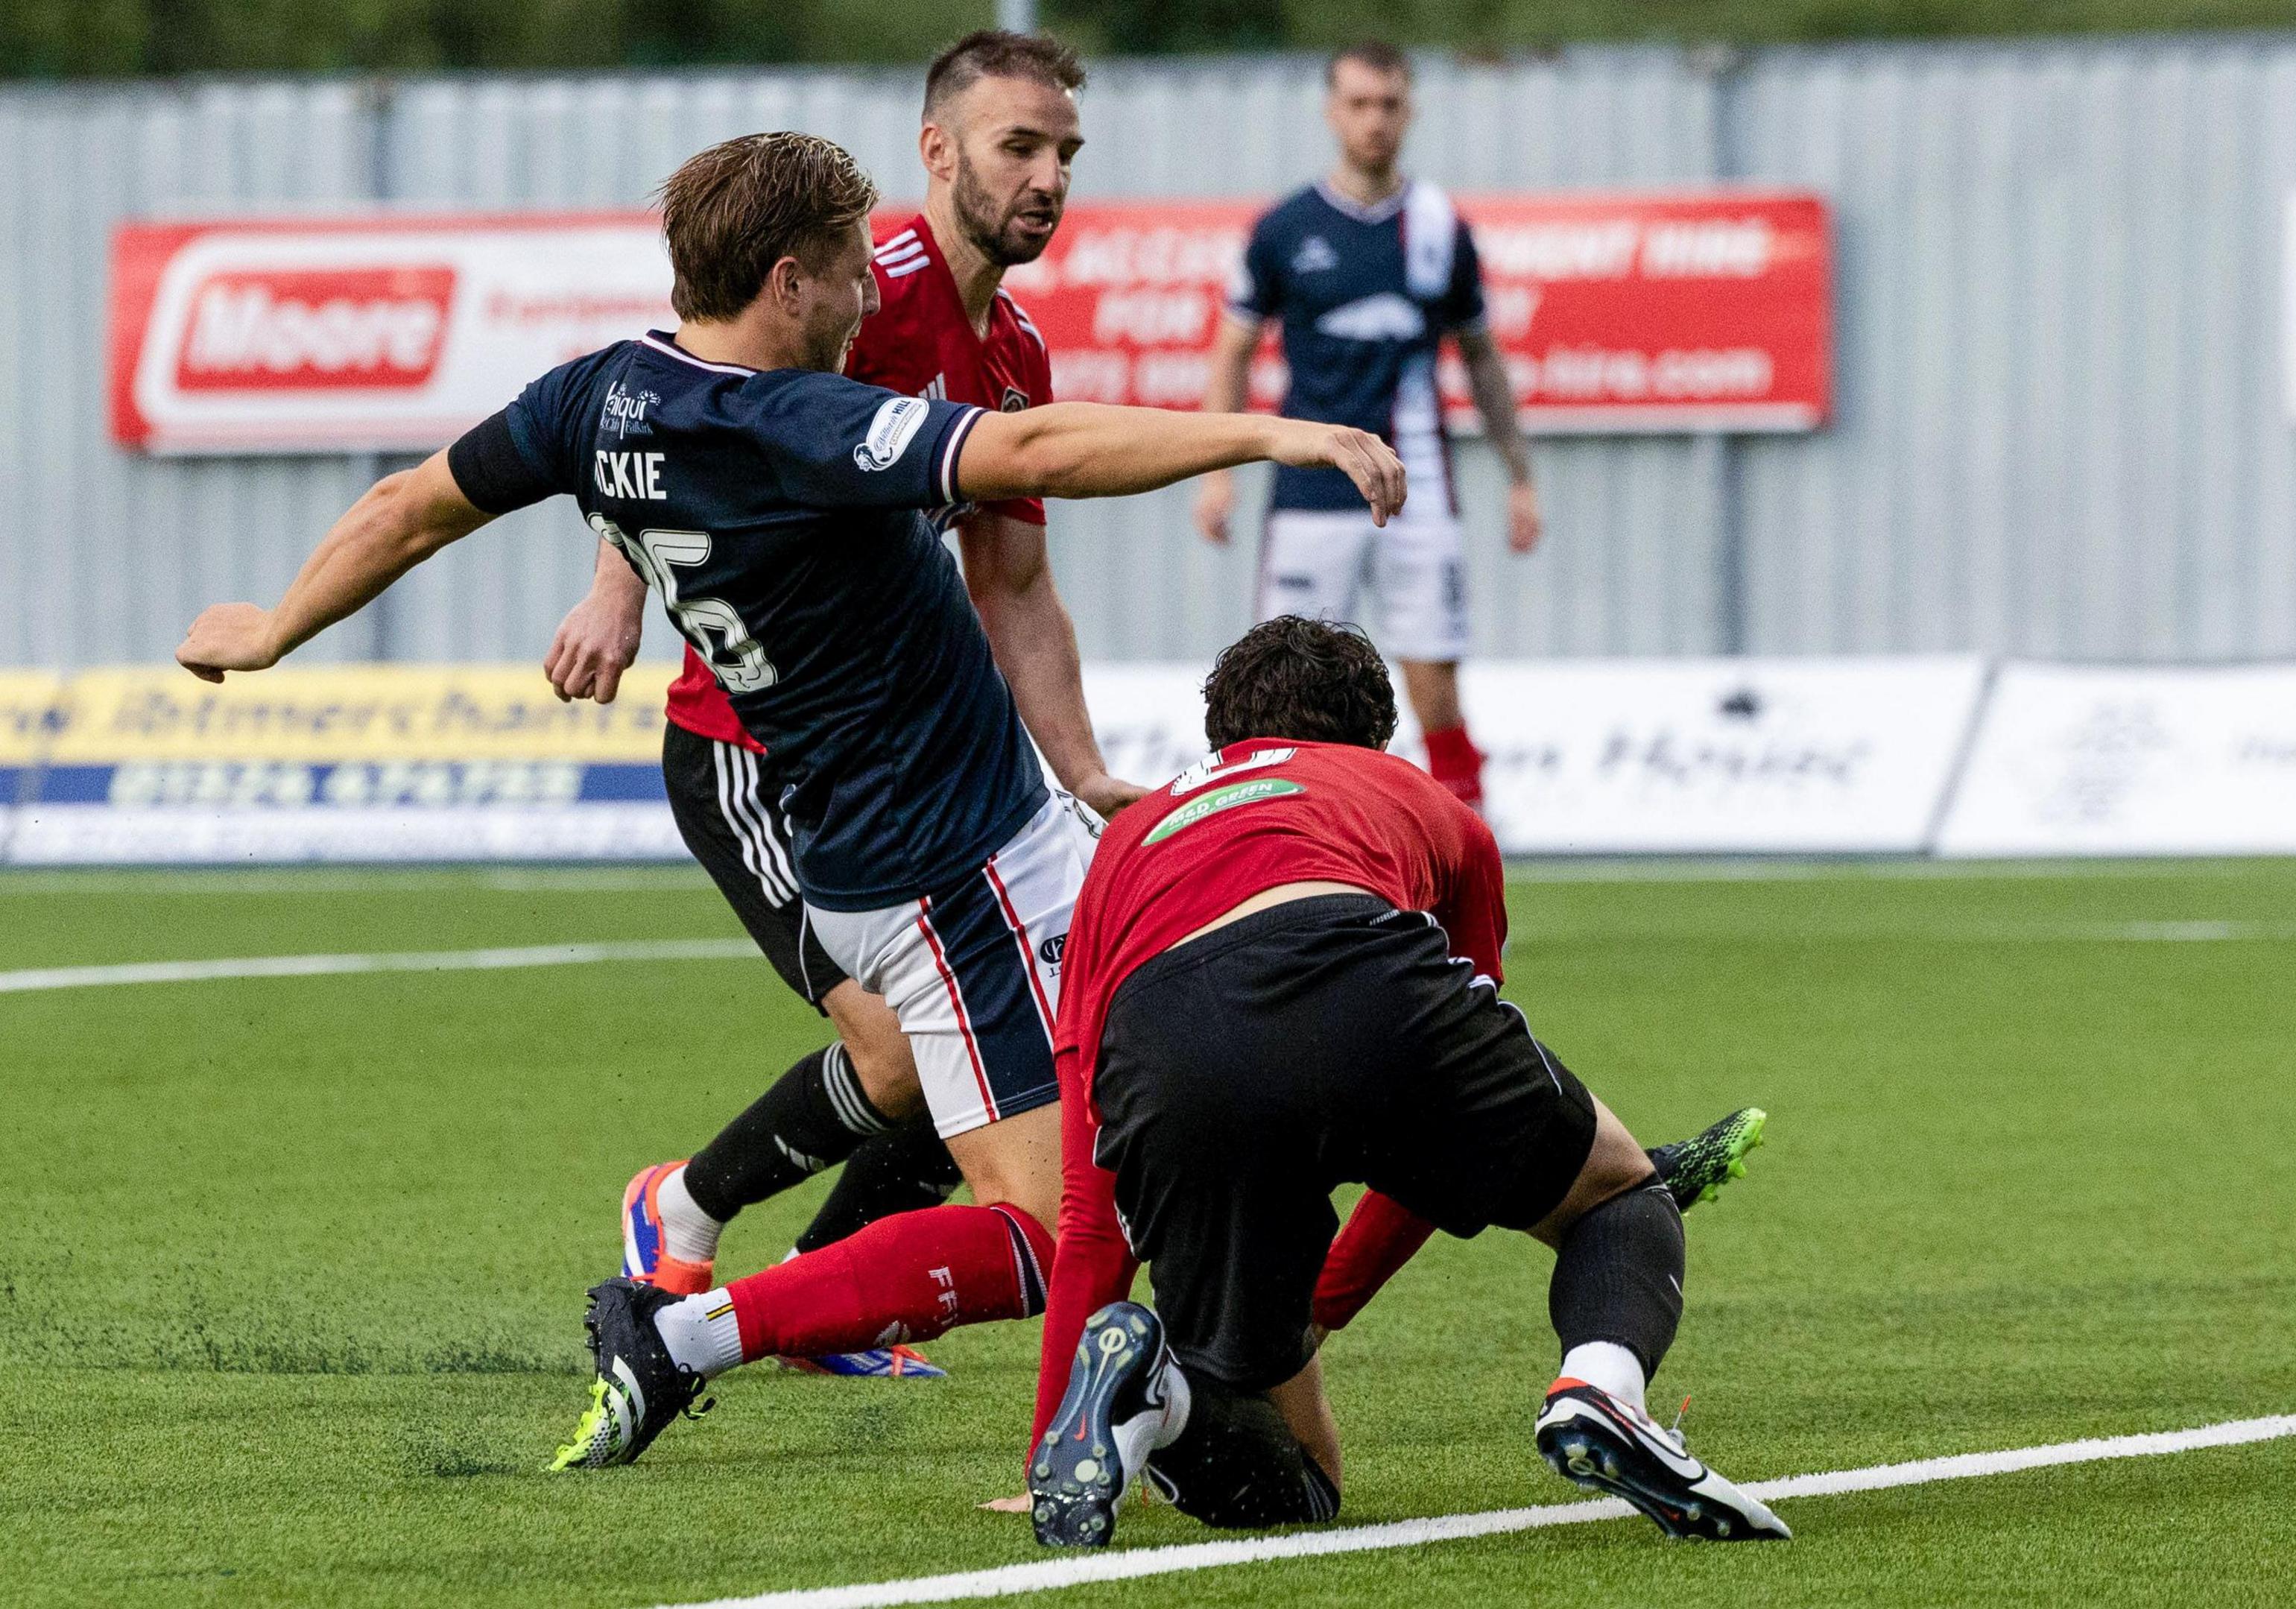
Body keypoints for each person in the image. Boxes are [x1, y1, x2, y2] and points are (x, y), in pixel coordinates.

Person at [170, 128, 1413, 1472]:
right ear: (786, 284)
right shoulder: (789, 426)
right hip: (958, 872)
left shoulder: (600, 396)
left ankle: (1247, 1411)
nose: (872, 296)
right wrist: (1272, 431)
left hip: (913, 848)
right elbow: (1034, 445)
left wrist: (276, 625)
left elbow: (412, 504)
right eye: (844, 273)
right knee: (1061, 1221)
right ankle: (703, 1335)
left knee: (1163, 1122)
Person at [541, 31, 1136, 1370]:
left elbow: (1018, 587)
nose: (1047, 179)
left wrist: (1085, 769)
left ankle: (826, 1290)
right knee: (904, 1049)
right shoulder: (867, 293)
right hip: (744, 749)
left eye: (1065, 155)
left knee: (967, 1045)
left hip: (893, 772)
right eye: (1018, 148)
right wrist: (618, 584)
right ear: (938, 154)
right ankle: (682, 1205)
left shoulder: (1011, 352)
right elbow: (683, 413)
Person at [1026, 617, 1788, 1548]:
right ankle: (1601, 1390)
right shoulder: (1407, 789)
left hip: (1165, 1046)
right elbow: (1430, 1128)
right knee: (1621, 1194)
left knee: (1300, 1478)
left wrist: (1045, 1440)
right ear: (1374, 736)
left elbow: (1088, 1198)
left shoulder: (1129, 839)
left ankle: (1167, 1396)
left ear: (1220, 740)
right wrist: (1334, 1297)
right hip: (1356, 970)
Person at [1190, 39, 1537, 813]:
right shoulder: (1284, 228)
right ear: (1331, 110)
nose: (1374, 120)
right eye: (1358, 103)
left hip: (1418, 488)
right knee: (1282, 688)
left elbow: (1481, 357)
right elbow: (1232, 355)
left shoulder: (1441, 226)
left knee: (1435, 684)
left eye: (1388, 104)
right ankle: (1288, 855)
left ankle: (1464, 869)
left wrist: (1519, 473)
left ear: (1409, 110)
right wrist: (1217, 474)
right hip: (1311, 493)